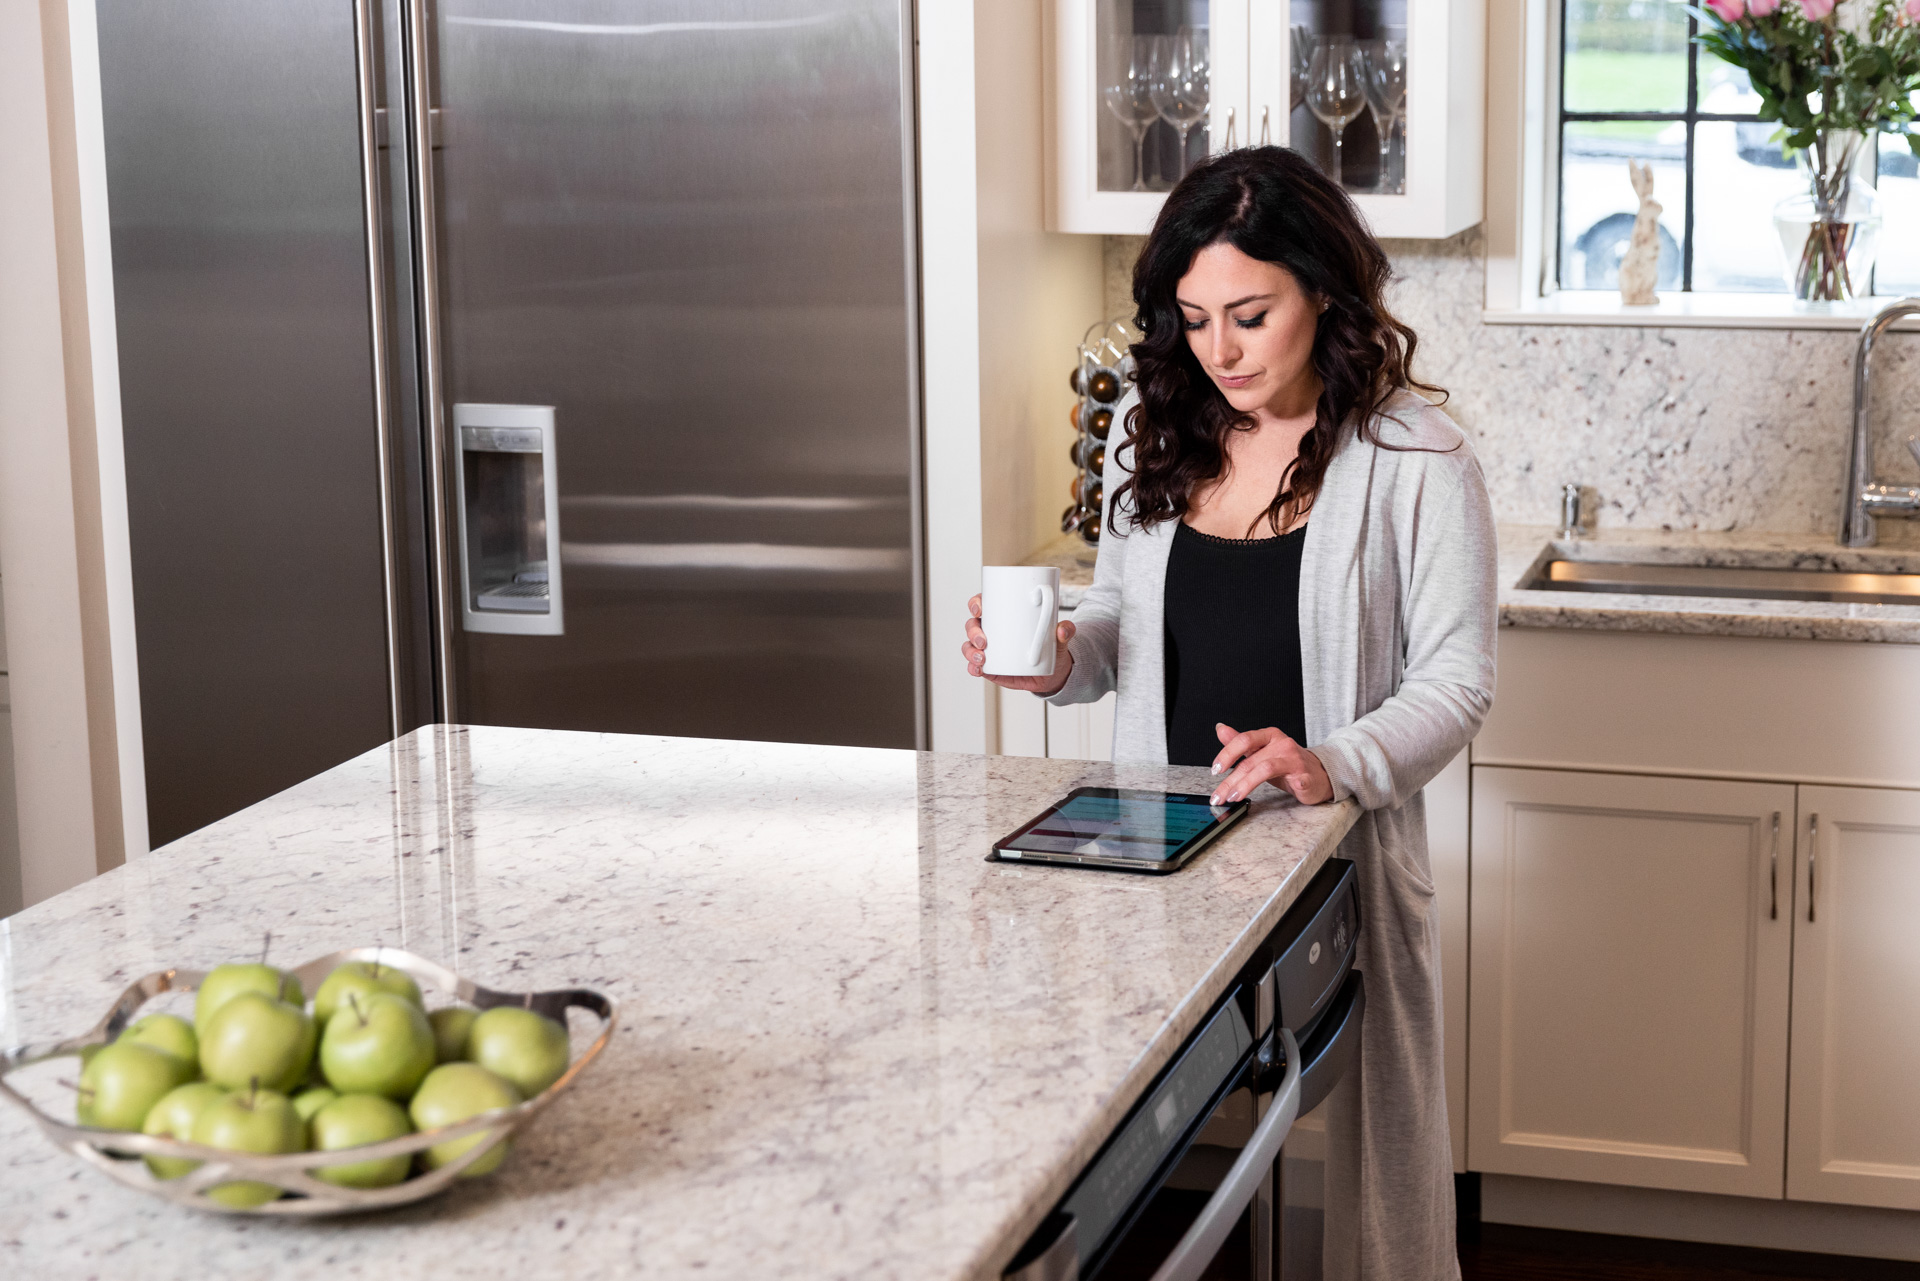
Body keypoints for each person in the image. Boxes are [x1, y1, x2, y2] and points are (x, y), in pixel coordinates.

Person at [961, 146, 1495, 1280]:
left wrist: (1328, 762)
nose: (1221, 351)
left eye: (1250, 314)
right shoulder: (1151, 433)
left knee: (1355, 1148)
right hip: (1160, 852)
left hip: (1324, 863)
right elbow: (1112, 628)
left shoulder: (1416, 459)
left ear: (1325, 295)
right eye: (1195, 318)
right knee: (1133, 1159)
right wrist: (1055, 662)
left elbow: (1456, 682)